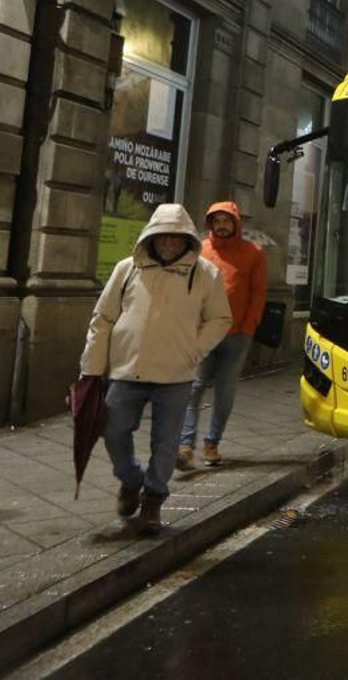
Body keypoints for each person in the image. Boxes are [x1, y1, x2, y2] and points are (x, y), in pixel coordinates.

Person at [79, 205, 233, 533]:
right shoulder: (127, 269)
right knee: (114, 431)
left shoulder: (206, 274)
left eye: (176, 238)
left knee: (166, 443)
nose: (168, 244)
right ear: (151, 236)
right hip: (126, 369)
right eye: (162, 236)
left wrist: (194, 350)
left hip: (176, 374)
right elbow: (103, 318)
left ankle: (153, 500)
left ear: (186, 240)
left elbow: (220, 318)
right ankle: (131, 479)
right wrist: (91, 369)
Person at [178, 202, 267, 469]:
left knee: (224, 394)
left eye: (226, 221)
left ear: (236, 223)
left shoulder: (253, 253)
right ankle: (185, 446)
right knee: (192, 389)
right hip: (203, 333)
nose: (222, 225)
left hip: (236, 336)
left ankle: (212, 444)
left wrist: (249, 325)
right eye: (216, 220)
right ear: (210, 223)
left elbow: (258, 293)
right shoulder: (200, 251)